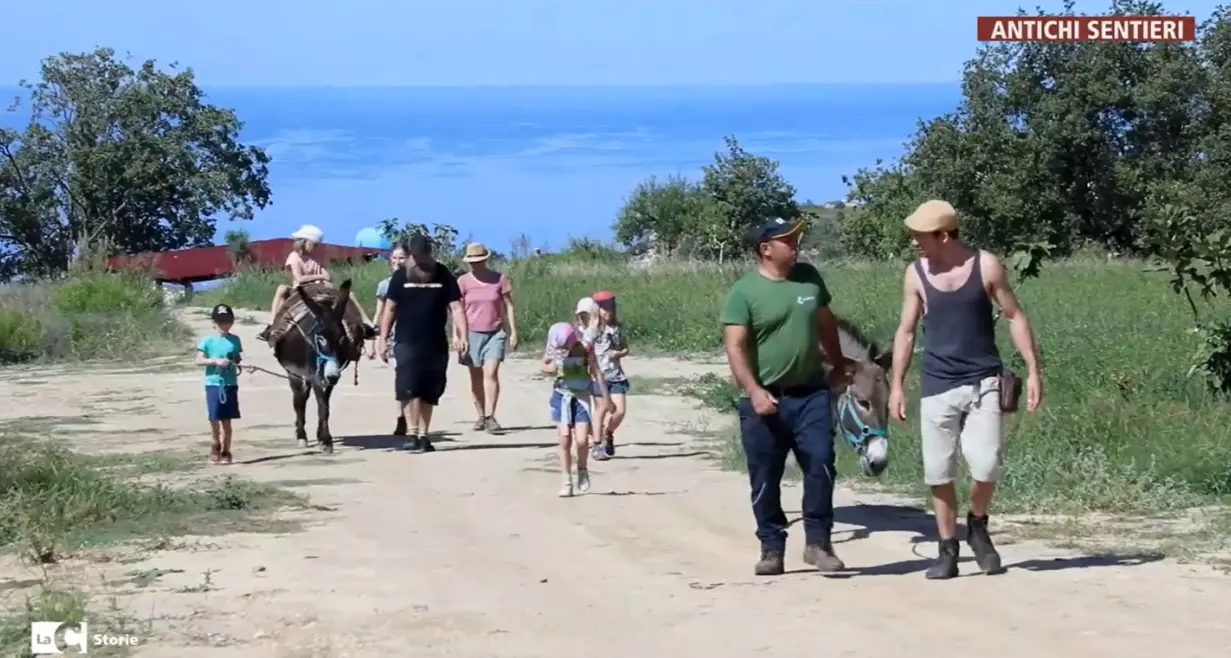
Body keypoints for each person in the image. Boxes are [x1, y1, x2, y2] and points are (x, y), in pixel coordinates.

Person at [889, 200, 1043, 580]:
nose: (915, 243)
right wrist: (895, 385)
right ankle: (947, 549)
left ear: (943, 235)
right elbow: (906, 332)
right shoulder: (915, 274)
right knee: (939, 471)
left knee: (987, 462)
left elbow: (1015, 315)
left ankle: (977, 524)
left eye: (920, 236)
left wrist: (1033, 369)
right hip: (937, 384)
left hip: (983, 381)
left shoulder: (986, 265)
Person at [720, 216, 851, 576]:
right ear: (766, 249)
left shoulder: (809, 279)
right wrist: (754, 390)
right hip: (764, 401)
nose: (796, 246)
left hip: (811, 394)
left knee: (821, 464)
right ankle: (771, 547)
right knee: (765, 475)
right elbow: (735, 346)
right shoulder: (744, 292)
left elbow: (826, 323)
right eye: (788, 241)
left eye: (796, 240)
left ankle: (819, 544)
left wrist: (838, 365)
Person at [377, 234, 469, 453]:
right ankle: (411, 431)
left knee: (430, 390)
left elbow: (456, 307)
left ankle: (423, 435)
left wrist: (463, 335)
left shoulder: (443, 274)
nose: (419, 261)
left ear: (429, 253)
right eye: (415, 256)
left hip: (435, 342)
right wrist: (382, 339)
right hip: (406, 341)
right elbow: (389, 309)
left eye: (422, 256)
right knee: (409, 387)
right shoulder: (400, 277)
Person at [256, 224, 377, 343]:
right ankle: (272, 325)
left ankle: (366, 324)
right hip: (300, 289)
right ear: (305, 242)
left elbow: (327, 276)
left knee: (349, 294)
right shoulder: (294, 257)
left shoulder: (317, 256)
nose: (316, 247)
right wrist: (319, 276)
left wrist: (320, 279)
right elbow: (299, 279)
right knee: (282, 288)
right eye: (314, 245)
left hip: (319, 287)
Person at [457, 242, 520, 433]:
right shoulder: (463, 282)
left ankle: (491, 416)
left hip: (495, 332)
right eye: (472, 261)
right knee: (475, 377)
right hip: (471, 334)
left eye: (479, 260)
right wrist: (457, 336)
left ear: (485, 260)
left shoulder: (499, 279)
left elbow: (509, 305)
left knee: (490, 373)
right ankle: (481, 416)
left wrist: (513, 331)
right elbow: (457, 310)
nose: (475, 264)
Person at [542, 322, 608, 497]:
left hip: (580, 398)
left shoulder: (584, 349)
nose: (565, 349)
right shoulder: (554, 349)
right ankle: (566, 481)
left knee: (581, 441)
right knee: (564, 441)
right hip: (561, 397)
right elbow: (544, 366)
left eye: (567, 346)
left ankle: (582, 468)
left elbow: (596, 372)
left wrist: (605, 398)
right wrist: (552, 368)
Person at [195, 304, 243, 465]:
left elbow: (237, 358)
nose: (224, 324)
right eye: (221, 321)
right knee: (214, 418)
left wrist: (235, 363)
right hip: (213, 384)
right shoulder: (207, 340)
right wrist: (215, 361)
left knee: (227, 420)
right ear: (214, 322)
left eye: (227, 321)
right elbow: (198, 360)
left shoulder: (235, 340)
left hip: (230, 384)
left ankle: (226, 450)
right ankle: (215, 444)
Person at [589, 290, 629, 461]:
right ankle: (597, 444)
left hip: (616, 375)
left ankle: (609, 432)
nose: (608, 312)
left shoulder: (618, 328)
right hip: (598, 375)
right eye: (604, 309)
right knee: (602, 409)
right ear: (596, 309)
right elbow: (585, 350)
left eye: (610, 309)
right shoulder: (592, 330)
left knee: (619, 411)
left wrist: (619, 354)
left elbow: (625, 348)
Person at [374, 245, 408, 435]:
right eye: (394, 258)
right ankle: (401, 418)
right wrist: (376, 339)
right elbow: (379, 315)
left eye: (401, 258)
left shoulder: (415, 282)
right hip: (394, 339)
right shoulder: (384, 285)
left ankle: (412, 417)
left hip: (412, 335)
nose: (397, 262)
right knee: (402, 377)